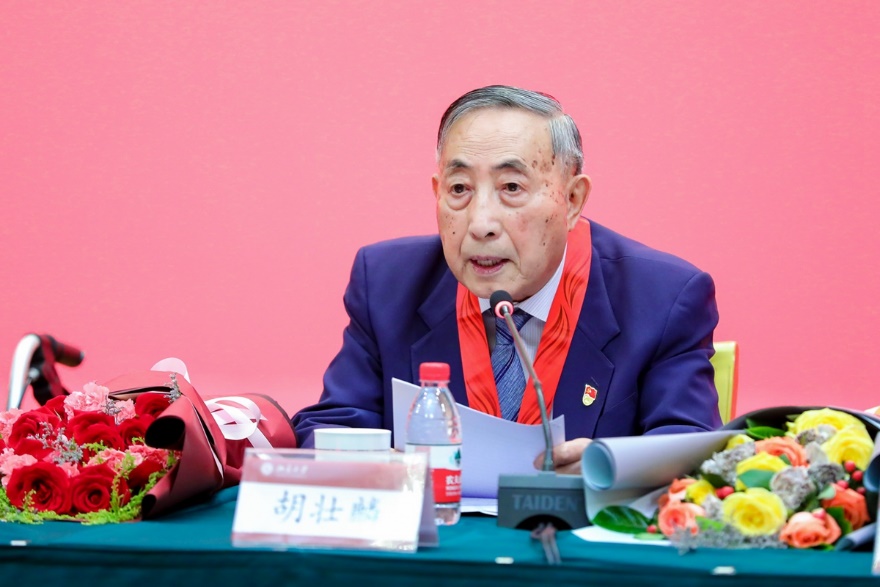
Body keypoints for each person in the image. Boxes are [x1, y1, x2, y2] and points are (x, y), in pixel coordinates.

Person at [292, 85, 721, 474]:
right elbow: (332, 424)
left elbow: (691, 447)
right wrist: (374, 466)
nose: (480, 223)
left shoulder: (664, 298)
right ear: (437, 192)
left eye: (511, 188)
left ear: (572, 200)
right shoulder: (387, 284)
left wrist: (610, 469)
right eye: (459, 189)